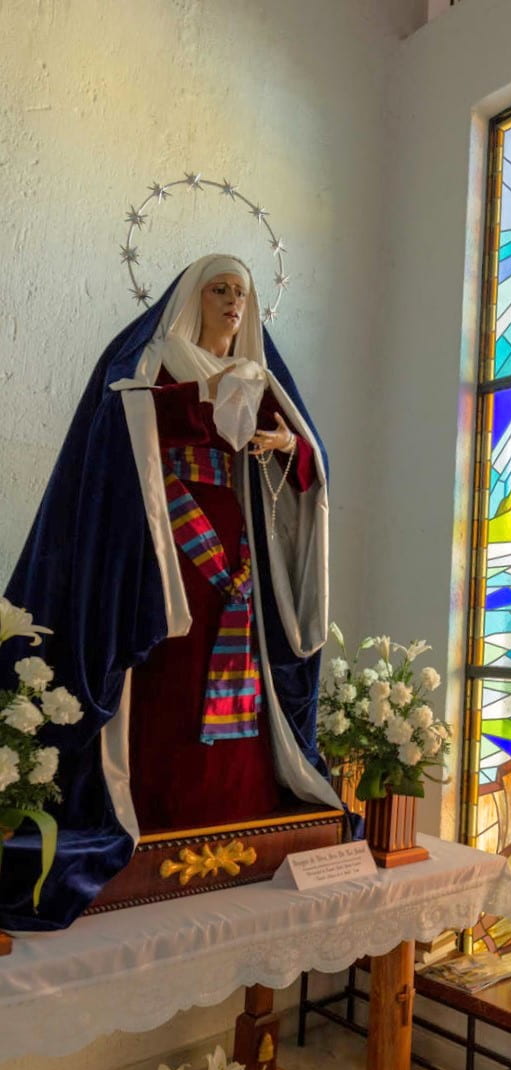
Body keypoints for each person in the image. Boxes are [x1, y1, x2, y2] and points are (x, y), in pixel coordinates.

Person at [0, 255, 341, 930]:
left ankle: (232, 807)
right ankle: (162, 808)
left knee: (237, 662)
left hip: (239, 542)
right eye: (220, 289)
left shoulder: (258, 376)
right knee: (172, 665)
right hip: (168, 544)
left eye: (242, 292)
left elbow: (310, 461)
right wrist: (199, 403)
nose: (233, 302)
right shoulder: (155, 359)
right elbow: (113, 427)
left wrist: (283, 443)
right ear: (193, 298)